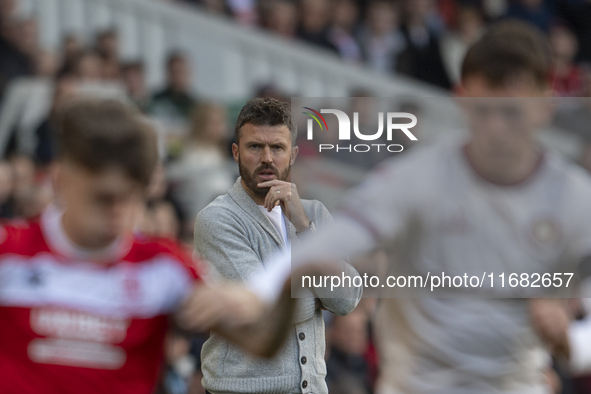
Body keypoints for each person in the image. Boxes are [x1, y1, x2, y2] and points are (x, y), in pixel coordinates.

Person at [245, 21, 591, 393]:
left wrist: (571, 340)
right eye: (483, 111)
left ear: (546, 105)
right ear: (461, 98)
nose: (496, 129)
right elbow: (338, 236)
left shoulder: (574, 199)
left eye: (511, 113)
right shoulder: (418, 178)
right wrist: (256, 291)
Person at [0, 98, 296, 394]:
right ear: (61, 181)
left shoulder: (163, 265)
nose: (118, 211)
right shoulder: (9, 251)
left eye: (130, 198)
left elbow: (263, 342)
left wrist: (255, 297)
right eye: (103, 197)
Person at [194, 97, 362, 394]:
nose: (267, 158)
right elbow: (261, 310)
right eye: (255, 146)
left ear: (293, 154)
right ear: (235, 151)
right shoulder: (217, 219)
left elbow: (347, 300)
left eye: (277, 147)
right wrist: (320, 293)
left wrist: (304, 229)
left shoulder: (315, 215)